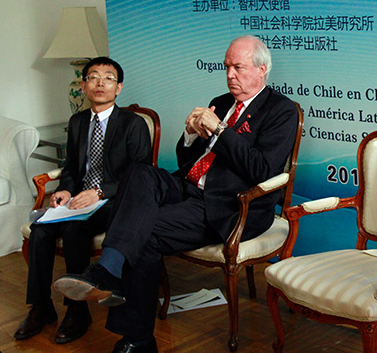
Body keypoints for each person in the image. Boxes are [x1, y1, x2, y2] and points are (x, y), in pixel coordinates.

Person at [55, 35, 298, 353]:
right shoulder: (221, 102)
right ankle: (110, 272)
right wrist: (189, 134)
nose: (230, 75)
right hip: (190, 187)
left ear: (262, 69)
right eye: (227, 67)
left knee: (144, 232)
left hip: (230, 205)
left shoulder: (281, 110)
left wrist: (221, 131)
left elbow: (262, 169)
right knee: (139, 173)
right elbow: (189, 162)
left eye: (238, 68)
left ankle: (136, 335)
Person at [15, 57, 152, 344]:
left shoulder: (133, 124)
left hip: (114, 203)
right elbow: (72, 169)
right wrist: (64, 190)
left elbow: (140, 173)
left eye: (108, 78)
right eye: (93, 77)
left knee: (73, 230)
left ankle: (78, 311)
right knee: (40, 231)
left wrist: (99, 192)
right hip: (77, 201)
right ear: (84, 85)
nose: (100, 83)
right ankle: (41, 307)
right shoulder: (78, 122)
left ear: (119, 88)